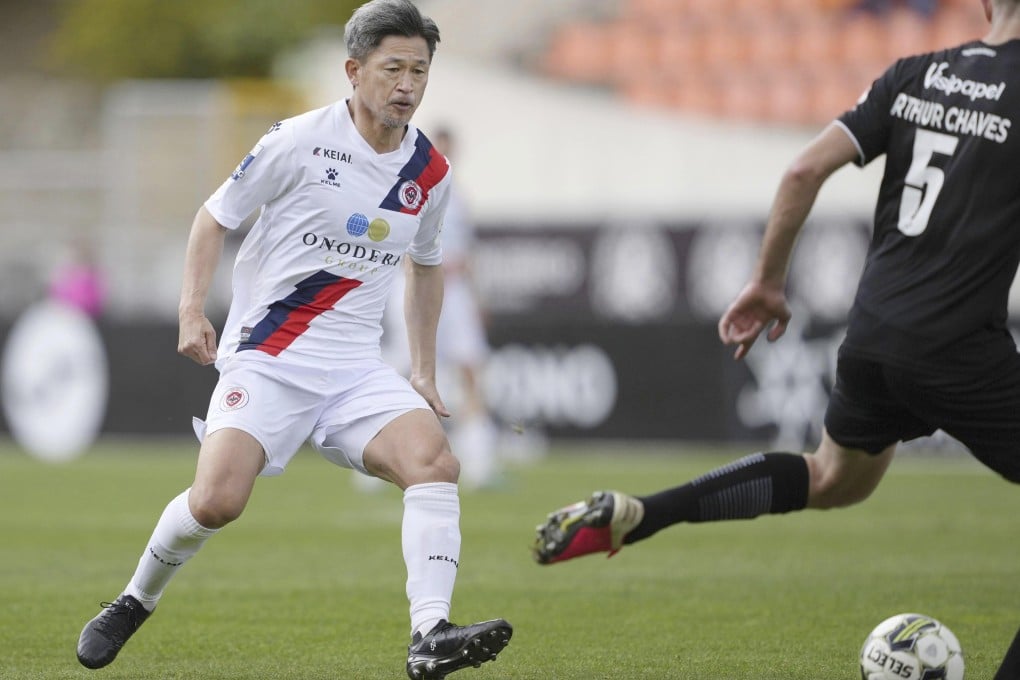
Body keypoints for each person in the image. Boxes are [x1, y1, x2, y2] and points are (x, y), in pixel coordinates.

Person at [532, 0, 1019, 677]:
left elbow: (801, 170)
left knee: (833, 478)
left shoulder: (914, 75)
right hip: (961, 344)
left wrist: (766, 282)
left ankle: (645, 514)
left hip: (875, 334)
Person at [75, 2, 511, 678]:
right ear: (354, 70)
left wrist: (422, 370)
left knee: (434, 462)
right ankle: (134, 599)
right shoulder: (299, 139)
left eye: (419, 71)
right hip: (271, 357)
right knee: (217, 501)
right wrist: (192, 310)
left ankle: (430, 634)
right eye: (392, 68)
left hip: (353, 370)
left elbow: (426, 269)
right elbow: (214, 217)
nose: (407, 84)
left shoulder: (431, 174)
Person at [378, 126, 501, 491]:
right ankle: (376, 453)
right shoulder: (406, 188)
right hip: (416, 283)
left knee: (470, 368)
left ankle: (479, 461)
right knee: (400, 368)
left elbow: (468, 251)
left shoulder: (458, 195)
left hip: (456, 288)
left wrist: (477, 297)